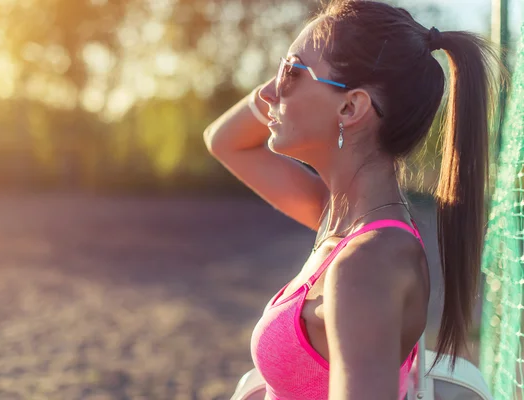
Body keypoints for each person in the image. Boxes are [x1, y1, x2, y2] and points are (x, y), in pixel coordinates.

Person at [203, 0, 499, 399]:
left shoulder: (366, 265)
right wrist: (283, 83)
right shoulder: (337, 220)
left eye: (291, 73)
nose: (270, 91)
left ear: (351, 106)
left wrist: (286, 80)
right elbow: (223, 142)